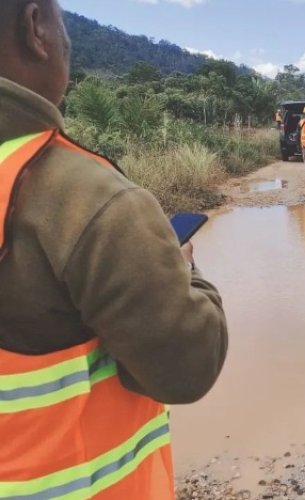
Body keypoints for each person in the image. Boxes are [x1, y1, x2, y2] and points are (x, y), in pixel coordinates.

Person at [0, 1, 228, 498]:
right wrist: (187, 273)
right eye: (63, 25)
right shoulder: (85, 197)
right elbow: (188, 367)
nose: (67, 42)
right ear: (35, 27)